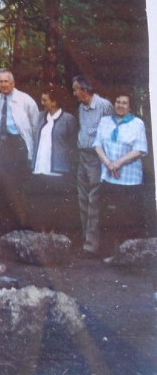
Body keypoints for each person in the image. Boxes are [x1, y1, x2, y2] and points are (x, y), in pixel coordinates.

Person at [93, 92, 149, 254]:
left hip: (129, 179)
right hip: (109, 176)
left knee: (128, 216)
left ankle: (129, 254)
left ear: (130, 107)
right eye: (118, 101)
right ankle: (109, 252)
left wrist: (118, 163)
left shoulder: (137, 123)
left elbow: (139, 149)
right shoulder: (105, 121)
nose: (120, 105)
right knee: (108, 216)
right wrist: (109, 164)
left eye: (124, 103)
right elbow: (97, 145)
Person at [0, 68, 39, 231]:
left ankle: (22, 224)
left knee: (16, 185)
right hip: (1, 145)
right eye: (0, 81)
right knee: (1, 186)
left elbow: (35, 125)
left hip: (18, 145)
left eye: (6, 81)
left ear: (13, 82)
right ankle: (4, 226)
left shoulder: (25, 100)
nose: (3, 84)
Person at [72, 75, 114, 256]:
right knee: (82, 199)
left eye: (76, 90)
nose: (74, 94)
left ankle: (92, 246)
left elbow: (113, 132)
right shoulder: (81, 107)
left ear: (85, 90)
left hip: (97, 159)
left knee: (94, 201)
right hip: (83, 157)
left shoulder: (104, 106)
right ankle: (86, 241)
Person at [28, 86, 78, 233]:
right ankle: (42, 231)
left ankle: (54, 232)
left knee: (56, 202)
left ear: (55, 102)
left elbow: (72, 143)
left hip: (57, 170)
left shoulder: (68, 119)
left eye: (45, 100)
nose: (42, 102)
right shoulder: (40, 116)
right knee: (40, 202)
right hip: (40, 168)